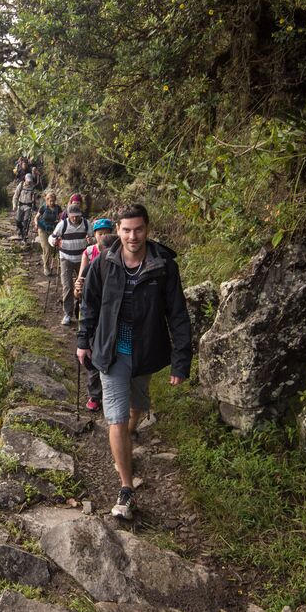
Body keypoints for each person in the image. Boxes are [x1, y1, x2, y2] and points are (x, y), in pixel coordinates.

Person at [75, 204, 191, 520]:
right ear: (118, 230)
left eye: (138, 229)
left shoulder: (163, 265)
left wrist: (181, 360)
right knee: (114, 416)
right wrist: (83, 341)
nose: (132, 236)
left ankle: (127, 437)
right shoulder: (104, 262)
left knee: (137, 405)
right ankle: (126, 489)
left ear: (147, 229)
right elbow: (91, 304)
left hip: (146, 350)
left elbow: (178, 314)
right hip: (110, 350)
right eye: (126, 230)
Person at [73, 218, 116, 411]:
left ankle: (107, 393)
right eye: (100, 233)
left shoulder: (124, 258)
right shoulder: (90, 255)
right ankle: (95, 394)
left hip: (113, 315)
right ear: (94, 236)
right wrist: (77, 290)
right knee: (93, 355)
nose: (103, 236)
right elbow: (81, 287)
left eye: (107, 232)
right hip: (94, 312)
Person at [48, 204, 93, 326]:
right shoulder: (63, 224)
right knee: (67, 286)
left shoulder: (87, 224)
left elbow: (93, 238)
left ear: (80, 215)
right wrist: (55, 242)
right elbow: (51, 238)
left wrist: (91, 240)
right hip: (66, 259)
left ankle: (84, 311)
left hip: (82, 259)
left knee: (85, 285)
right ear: (68, 215)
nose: (74, 218)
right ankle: (68, 314)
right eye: (72, 216)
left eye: (76, 216)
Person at [34, 191, 64, 276]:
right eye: (50, 201)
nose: (52, 202)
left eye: (53, 201)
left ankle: (47, 260)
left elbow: (61, 218)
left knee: (51, 249)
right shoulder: (43, 208)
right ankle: (46, 267)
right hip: (42, 229)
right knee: (46, 248)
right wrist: (36, 224)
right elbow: (36, 217)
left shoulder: (58, 208)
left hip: (53, 230)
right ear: (47, 200)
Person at [12, 173, 38, 242]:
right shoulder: (20, 186)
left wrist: (34, 199)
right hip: (20, 205)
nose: (29, 182)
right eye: (28, 181)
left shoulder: (33, 187)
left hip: (28, 206)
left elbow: (35, 199)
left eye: (30, 181)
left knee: (26, 222)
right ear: (25, 180)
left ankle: (24, 237)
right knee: (18, 221)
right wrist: (14, 205)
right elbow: (15, 196)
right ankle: (20, 231)